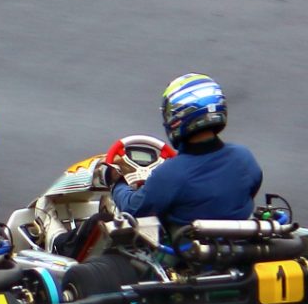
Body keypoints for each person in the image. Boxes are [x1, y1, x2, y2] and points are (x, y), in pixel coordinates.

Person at [100, 73, 262, 229]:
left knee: (99, 221)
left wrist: (117, 181)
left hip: (184, 246)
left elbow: (132, 209)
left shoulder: (171, 173)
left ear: (178, 117)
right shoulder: (244, 157)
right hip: (241, 242)